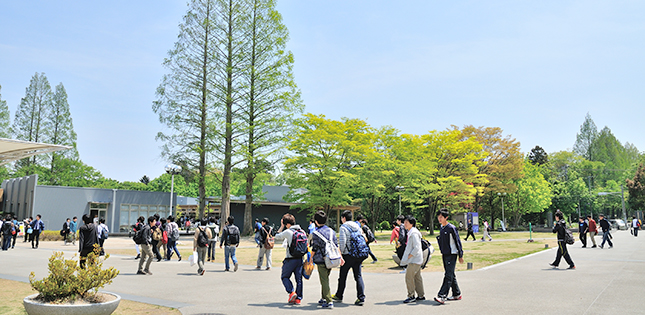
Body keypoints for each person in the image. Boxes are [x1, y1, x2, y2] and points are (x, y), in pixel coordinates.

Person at [332, 210, 367, 306]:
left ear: (343, 218)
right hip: (358, 255)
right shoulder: (357, 226)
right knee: (358, 276)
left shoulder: (343, 227)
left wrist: (341, 255)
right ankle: (361, 298)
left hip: (348, 255)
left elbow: (342, 243)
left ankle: (339, 295)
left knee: (342, 276)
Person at [434, 209, 464, 305]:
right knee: (451, 274)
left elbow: (457, 241)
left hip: (452, 254)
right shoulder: (441, 228)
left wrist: (460, 254)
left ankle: (442, 295)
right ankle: (457, 294)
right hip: (445, 253)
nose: (439, 219)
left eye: (441, 217)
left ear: (446, 217)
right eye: (438, 217)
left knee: (448, 275)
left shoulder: (451, 228)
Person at [274, 213, 305, 305]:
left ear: (286, 224)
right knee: (299, 279)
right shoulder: (302, 231)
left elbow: (276, 236)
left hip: (290, 259)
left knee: (285, 277)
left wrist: (281, 226)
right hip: (300, 259)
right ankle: (298, 299)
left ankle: (291, 292)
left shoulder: (288, 232)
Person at [310, 210, 339, 309]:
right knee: (325, 278)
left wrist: (310, 258)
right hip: (331, 258)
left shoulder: (316, 233)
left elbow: (314, 248)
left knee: (324, 280)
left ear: (316, 221)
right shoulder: (332, 231)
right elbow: (335, 245)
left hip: (321, 259)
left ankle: (329, 301)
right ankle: (323, 298)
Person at [401, 215, 425, 303]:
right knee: (417, 277)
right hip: (417, 259)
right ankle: (421, 295)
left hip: (414, 260)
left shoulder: (414, 233)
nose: (405, 224)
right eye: (404, 222)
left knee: (409, 277)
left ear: (411, 224)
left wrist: (410, 255)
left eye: (407, 222)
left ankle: (411, 296)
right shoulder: (412, 232)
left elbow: (417, 247)